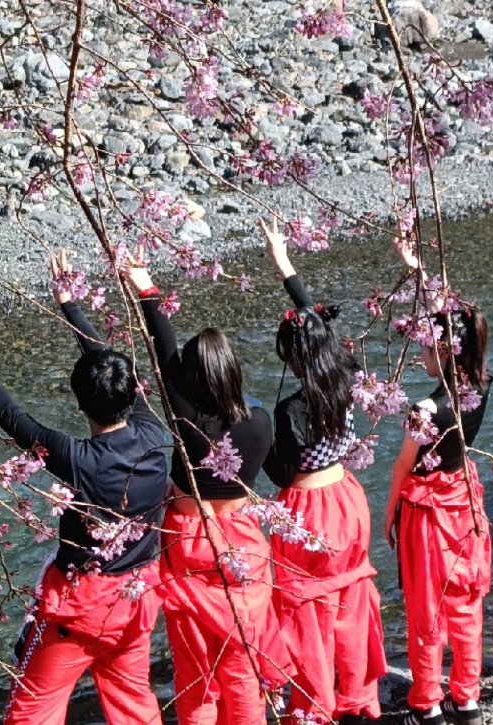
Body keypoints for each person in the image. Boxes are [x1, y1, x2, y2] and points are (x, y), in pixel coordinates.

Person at [0, 252, 167, 725]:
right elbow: (110, 367)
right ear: (132, 393)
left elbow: (12, 417)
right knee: (134, 705)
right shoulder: (153, 434)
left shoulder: (78, 459)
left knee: (32, 711)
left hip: (77, 611)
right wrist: (70, 305)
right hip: (137, 598)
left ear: (80, 403)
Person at [123, 255, 288, 724]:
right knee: (243, 657)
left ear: (191, 380)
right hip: (243, 540)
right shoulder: (260, 421)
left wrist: (146, 289)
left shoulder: (185, 420)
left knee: (196, 666)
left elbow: (164, 353)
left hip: (188, 539)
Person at [258, 217, 387, 724]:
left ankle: (314, 703)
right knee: (351, 598)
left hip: (307, 511)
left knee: (305, 610)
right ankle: (357, 696)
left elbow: (279, 474)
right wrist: (284, 265)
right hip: (347, 498)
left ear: (292, 360)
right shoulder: (348, 378)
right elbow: (316, 326)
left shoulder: (290, 411)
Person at [384, 242, 493, 725]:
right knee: (465, 599)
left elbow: (402, 468)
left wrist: (388, 515)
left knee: (426, 608)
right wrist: (416, 269)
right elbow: (453, 318)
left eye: (428, 345)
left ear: (445, 349)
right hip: (463, 498)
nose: (422, 353)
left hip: (428, 511)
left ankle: (426, 702)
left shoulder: (425, 410)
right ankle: (466, 698)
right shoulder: (480, 384)